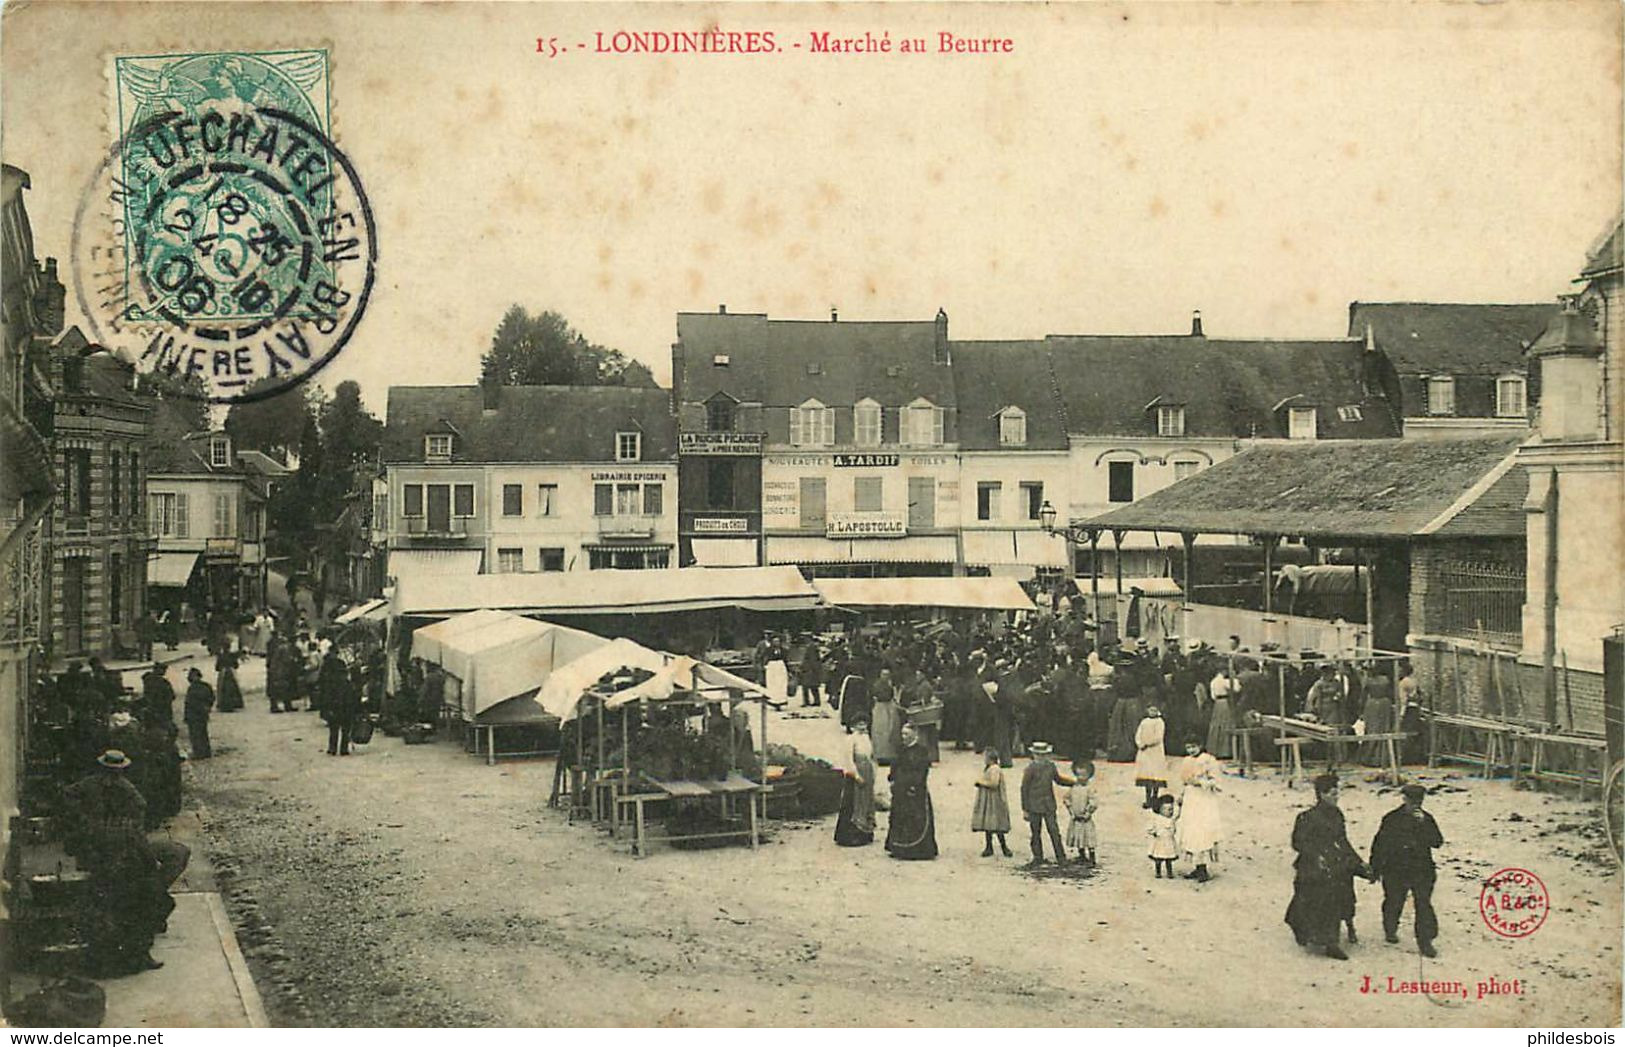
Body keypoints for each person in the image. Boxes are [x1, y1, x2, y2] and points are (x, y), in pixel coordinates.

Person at [61, 749, 189, 976]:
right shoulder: (122, 792)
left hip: (109, 854)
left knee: (124, 902)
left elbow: (67, 795)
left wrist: (83, 822)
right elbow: (136, 834)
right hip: (117, 858)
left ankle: (136, 949)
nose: (112, 777)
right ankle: (139, 953)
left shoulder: (110, 789)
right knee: (141, 902)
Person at [1285, 774, 1374, 960]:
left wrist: (1358, 862)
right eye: (1333, 793)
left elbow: (1343, 841)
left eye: (1337, 793)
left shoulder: (1337, 814)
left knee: (1341, 896)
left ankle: (1334, 935)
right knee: (1314, 900)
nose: (1336, 797)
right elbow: (1298, 843)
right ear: (1322, 794)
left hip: (1335, 862)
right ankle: (1328, 942)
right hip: (1312, 865)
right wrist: (1317, 856)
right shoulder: (1306, 817)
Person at [1369, 782, 1444, 958]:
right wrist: (1375, 868)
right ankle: (1390, 928)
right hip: (1396, 869)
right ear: (1405, 799)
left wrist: (1424, 824)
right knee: (1394, 901)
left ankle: (1425, 942)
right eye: (1412, 800)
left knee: (1423, 904)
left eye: (1420, 801)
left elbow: (1437, 842)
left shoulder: (1427, 819)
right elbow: (1379, 845)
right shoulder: (1391, 819)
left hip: (1421, 869)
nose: (1416, 804)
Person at [884, 723, 937, 860]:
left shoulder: (921, 751)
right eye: (902, 734)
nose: (903, 737)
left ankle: (916, 849)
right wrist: (892, 779)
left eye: (906, 734)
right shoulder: (900, 749)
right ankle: (898, 847)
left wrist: (915, 786)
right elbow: (894, 766)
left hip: (915, 790)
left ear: (915, 735)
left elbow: (922, 771)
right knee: (899, 816)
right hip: (900, 789)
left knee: (915, 817)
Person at [1176, 742, 1223, 882]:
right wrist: (1182, 794)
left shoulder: (1208, 760)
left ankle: (1203, 868)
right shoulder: (1186, 761)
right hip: (1191, 798)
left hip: (1204, 799)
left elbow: (1216, 780)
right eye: (1188, 747)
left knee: (1203, 830)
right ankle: (1198, 866)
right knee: (1192, 830)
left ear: (1200, 746)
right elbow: (1184, 781)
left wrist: (1202, 782)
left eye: (1194, 747)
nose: (1191, 750)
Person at [1019, 740, 1070, 866]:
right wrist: (1025, 809)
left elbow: (1058, 780)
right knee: (1035, 833)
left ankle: (1061, 857)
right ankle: (1037, 857)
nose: (1041, 757)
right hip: (1033, 806)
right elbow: (1024, 789)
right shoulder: (1030, 769)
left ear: (1047, 755)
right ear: (1034, 755)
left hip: (1048, 805)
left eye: (1043, 755)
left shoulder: (1051, 766)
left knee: (1054, 831)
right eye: (1038, 755)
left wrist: (1074, 782)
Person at [834, 720, 876, 846]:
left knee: (866, 802)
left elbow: (871, 757)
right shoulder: (851, 739)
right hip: (855, 774)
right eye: (859, 724)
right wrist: (856, 776)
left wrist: (873, 774)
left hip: (867, 771)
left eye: (864, 723)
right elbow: (848, 760)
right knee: (853, 804)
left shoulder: (867, 738)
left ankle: (865, 832)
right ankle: (850, 835)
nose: (862, 726)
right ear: (853, 726)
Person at [972, 748, 1013, 857]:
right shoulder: (990, 768)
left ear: (990, 758)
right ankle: (989, 847)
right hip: (990, 801)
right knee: (989, 824)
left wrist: (981, 783)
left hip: (994, 801)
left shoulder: (994, 769)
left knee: (996, 824)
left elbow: (994, 783)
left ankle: (1004, 847)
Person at [319, 648, 358, 755]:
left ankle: (332, 748)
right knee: (345, 729)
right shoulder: (346, 683)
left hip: (334, 706)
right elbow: (352, 697)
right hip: (344, 707)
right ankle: (343, 749)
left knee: (334, 728)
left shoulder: (329, 683)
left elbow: (324, 692)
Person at [1133, 706, 1169, 808]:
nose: (1152, 712)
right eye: (1150, 710)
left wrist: (1147, 743)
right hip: (1145, 753)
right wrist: (1140, 743)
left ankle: (1155, 797)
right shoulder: (1144, 721)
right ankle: (1148, 798)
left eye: (1154, 710)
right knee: (1146, 774)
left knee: (1155, 774)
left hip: (1155, 752)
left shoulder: (1159, 722)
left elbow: (1158, 737)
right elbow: (1138, 734)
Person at [1065, 759, 1099, 865]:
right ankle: (1082, 855)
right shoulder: (1073, 787)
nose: (1081, 778)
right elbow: (1067, 798)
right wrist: (1071, 810)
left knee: (1088, 838)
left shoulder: (1090, 789)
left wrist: (1088, 813)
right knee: (1078, 837)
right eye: (1078, 775)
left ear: (1089, 776)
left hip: (1085, 818)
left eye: (1084, 775)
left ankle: (1092, 857)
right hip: (1076, 817)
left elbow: (1094, 802)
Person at [870, 672, 904, 765]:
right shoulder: (878, 684)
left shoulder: (889, 684)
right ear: (880, 675)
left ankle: (889, 754)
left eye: (888, 674)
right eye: (884, 674)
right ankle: (881, 755)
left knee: (890, 730)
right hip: (881, 708)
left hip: (888, 708)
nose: (886, 676)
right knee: (881, 731)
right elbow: (882, 696)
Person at [1206, 665, 1237, 759]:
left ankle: (1214, 749)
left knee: (1216, 725)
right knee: (1225, 724)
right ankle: (1225, 751)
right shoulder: (1224, 681)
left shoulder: (1213, 681)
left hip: (1217, 703)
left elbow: (1212, 696)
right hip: (1224, 703)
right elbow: (1236, 689)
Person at [183, 667, 214, 759]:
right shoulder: (205, 686)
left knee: (196, 734)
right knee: (201, 733)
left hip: (195, 714)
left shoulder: (194, 688)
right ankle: (205, 752)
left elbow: (189, 703)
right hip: (200, 713)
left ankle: (199, 752)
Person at [1147, 794, 1178, 878]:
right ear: (1160, 810)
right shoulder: (1157, 819)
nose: (1170, 812)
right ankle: (1158, 872)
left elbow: (1174, 829)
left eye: (1171, 809)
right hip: (1160, 842)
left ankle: (1169, 872)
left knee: (1168, 858)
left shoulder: (1171, 820)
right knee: (1158, 858)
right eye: (1167, 809)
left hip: (1168, 842)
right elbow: (1150, 828)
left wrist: (1172, 831)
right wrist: (1154, 832)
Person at [141, 662, 175, 728]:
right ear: (158, 670)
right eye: (163, 670)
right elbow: (171, 695)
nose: (165, 671)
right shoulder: (163, 682)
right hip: (162, 709)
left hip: (151, 708)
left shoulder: (148, 680)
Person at [215, 647, 243, 713]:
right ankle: (235, 703)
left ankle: (222, 703)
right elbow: (236, 666)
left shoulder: (220, 656)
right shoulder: (232, 656)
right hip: (231, 672)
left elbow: (217, 668)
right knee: (234, 687)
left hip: (223, 673)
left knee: (221, 688)